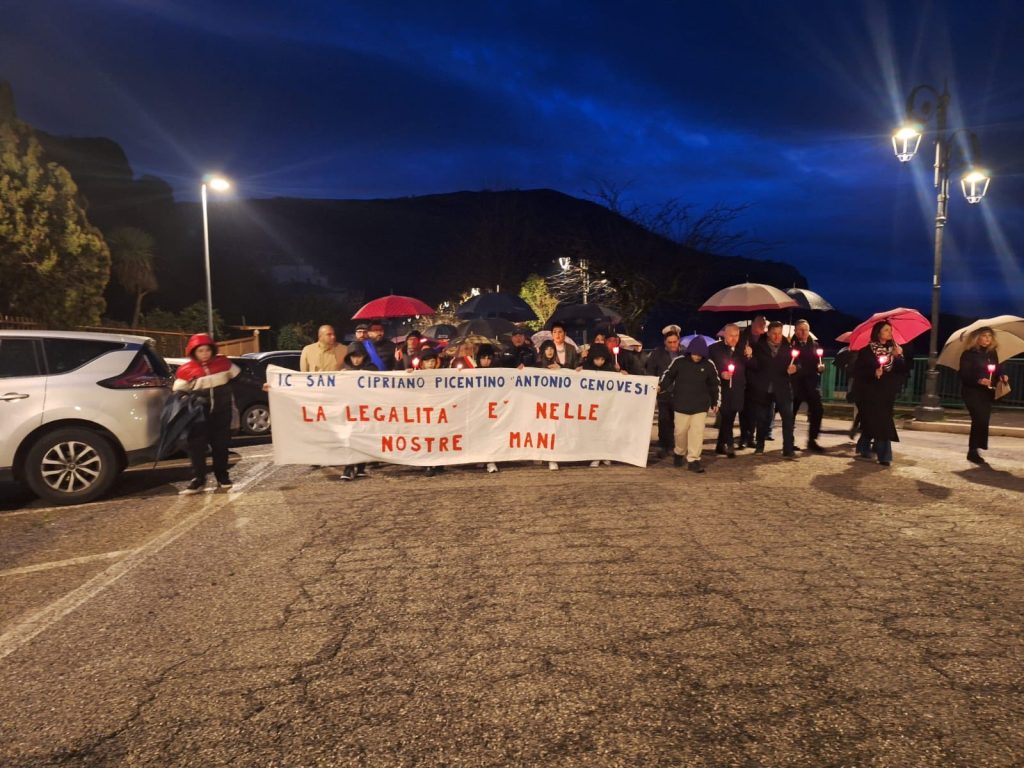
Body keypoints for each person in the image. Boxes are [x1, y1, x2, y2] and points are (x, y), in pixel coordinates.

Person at [173, 334, 241, 494]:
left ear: (212, 350)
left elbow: (242, 379)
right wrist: (188, 399)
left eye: (207, 350)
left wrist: (262, 386)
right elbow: (178, 393)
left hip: (222, 414)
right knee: (196, 448)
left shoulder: (224, 364)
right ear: (193, 352)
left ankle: (222, 477)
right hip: (198, 417)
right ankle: (198, 480)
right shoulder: (185, 370)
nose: (204, 353)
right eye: (200, 351)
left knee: (221, 447)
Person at [659, 337, 720, 473]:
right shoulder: (679, 362)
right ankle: (679, 452)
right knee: (680, 432)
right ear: (690, 351)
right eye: (695, 354)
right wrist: (661, 387)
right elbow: (669, 376)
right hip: (681, 404)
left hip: (700, 406)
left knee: (696, 433)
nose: (697, 357)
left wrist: (715, 401)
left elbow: (714, 384)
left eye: (700, 355)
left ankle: (694, 460)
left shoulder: (709, 364)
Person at [851, 321, 908, 466]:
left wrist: (899, 357)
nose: (890, 333)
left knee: (875, 422)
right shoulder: (867, 351)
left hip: (887, 392)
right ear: (878, 333)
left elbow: (902, 371)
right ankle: (885, 456)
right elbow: (858, 372)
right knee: (882, 423)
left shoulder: (893, 350)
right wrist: (873, 372)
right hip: (870, 392)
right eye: (886, 330)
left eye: (890, 330)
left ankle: (863, 446)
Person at [958, 326, 1008, 465]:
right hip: (972, 391)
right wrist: (979, 380)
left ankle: (975, 449)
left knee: (983, 420)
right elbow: (964, 374)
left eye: (990, 336)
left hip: (987, 392)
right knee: (979, 418)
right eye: (984, 335)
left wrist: (1002, 375)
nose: (987, 339)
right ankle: (973, 450)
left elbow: (998, 368)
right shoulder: (968, 354)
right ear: (977, 337)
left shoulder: (992, 354)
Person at [747, 321, 797, 457]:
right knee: (762, 418)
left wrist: (795, 368)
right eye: (774, 333)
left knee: (787, 417)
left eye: (779, 333)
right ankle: (760, 445)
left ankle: (788, 449)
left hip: (782, 388)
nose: (777, 336)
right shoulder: (758, 347)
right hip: (764, 389)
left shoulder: (789, 347)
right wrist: (750, 357)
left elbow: (797, 364)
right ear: (768, 333)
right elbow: (754, 367)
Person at [340, 342, 377, 480]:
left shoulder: (371, 369)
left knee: (364, 438)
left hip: (367, 410)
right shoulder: (344, 371)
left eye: (359, 356)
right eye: (353, 357)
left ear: (364, 356)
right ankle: (348, 467)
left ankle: (361, 467)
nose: (356, 360)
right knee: (350, 438)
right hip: (351, 411)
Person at [644, 329, 683, 458]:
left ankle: (674, 445)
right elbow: (650, 371)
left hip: (680, 393)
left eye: (675, 342)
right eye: (669, 342)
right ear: (665, 342)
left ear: (679, 341)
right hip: (664, 392)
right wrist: (655, 385)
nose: (672, 345)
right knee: (664, 420)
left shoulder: (684, 353)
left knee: (677, 421)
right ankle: (664, 445)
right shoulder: (657, 354)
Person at [708, 323, 746, 458]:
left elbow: (753, 367)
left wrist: (750, 356)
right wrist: (721, 373)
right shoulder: (713, 349)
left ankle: (720, 445)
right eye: (731, 335)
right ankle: (729, 445)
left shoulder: (743, 350)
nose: (734, 339)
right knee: (726, 416)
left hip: (737, 389)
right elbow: (708, 368)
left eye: (737, 336)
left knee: (729, 418)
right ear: (724, 334)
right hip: (721, 390)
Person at [790, 320, 826, 452]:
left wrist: (820, 367)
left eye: (805, 329)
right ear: (795, 331)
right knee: (791, 413)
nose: (803, 332)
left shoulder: (815, 345)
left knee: (818, 410)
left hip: (811, 384)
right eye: (800, 329)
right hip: (796, 385)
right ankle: (789, 441)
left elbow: (818, 363)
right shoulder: (790, 346)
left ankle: (812, 440)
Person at [738, 315, 767, 447]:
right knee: (743, 409)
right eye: (760, 323)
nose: (763, 325)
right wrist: (747, 356)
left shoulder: (764, 338)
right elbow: (738, 356)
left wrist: (751, 356)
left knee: (754, 410)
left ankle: (751, 436)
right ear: (754, 323)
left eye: (764, 323)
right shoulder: (743, 336)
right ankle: (743, 437)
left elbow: (764, 359)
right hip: (743, 378)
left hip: (758, 379)